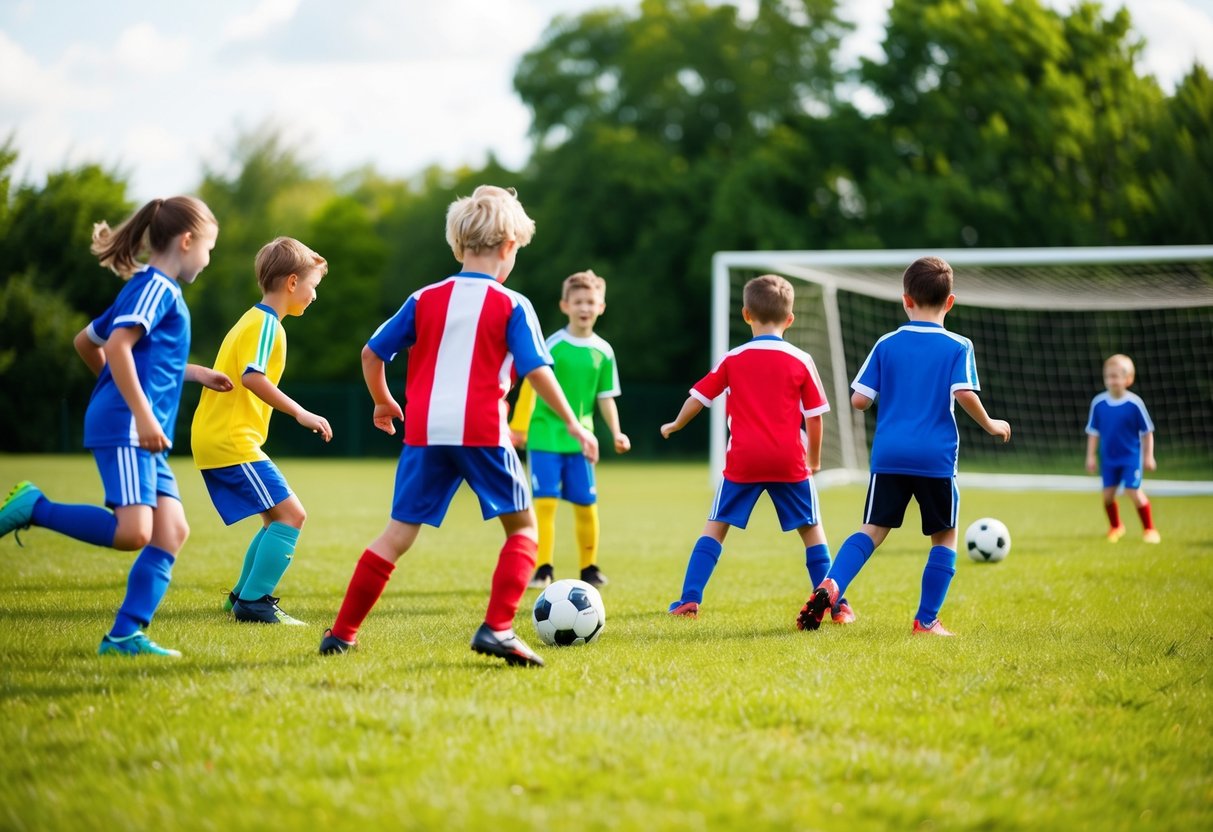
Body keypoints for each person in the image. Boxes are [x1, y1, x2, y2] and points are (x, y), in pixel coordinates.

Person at [318, 185, 598, 667]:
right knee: (524, 529)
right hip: (482, 430)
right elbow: (537, 371)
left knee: (397, 534)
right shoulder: (512, 304)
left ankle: (341, 633)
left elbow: (371, 352)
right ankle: (498, 628)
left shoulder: (424, 297)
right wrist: (574, 423)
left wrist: (383, 402)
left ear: (457, 245)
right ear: (510, 248)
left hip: (424, 432)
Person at [0, 196, 229, 657]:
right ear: (187, 241)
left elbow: (89, 343)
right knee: (134, 533)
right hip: (132, 428)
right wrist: (136, 412)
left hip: (138, 430)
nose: (208, 259)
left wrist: (196, 373)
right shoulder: (158, 289)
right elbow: (119, 348)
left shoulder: (149, 287)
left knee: (171, 532)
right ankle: (34, 506)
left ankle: (125, 634)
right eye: (208, 248)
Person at [798, 256, 1011, 637]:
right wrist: (992, 424)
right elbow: (962, 392)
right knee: (944, 535)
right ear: (950, 302)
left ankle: (831, 586)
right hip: (935, 458)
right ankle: (926, 621)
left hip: (889, 455)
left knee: (872, 529)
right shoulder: (958, 345)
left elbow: (859, 400)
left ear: (905, 300)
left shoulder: (888, 343)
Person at [660, 274, 849, 623]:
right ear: (789, 319)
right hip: (789, 460)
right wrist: (815, 460)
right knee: (811, 530)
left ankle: (688, 600)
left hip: (744, 460)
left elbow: (698, 399)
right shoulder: (801, 359)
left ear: (746, 314)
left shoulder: (733, 359)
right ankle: (838, 606)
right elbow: (817, 418)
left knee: (715, 526)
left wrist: (675, 425)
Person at [191, 237, 333, 626]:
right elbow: (252, 377)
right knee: (292, 516)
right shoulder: (267, 324)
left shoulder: (251, 319)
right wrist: (300, 412)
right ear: (291, 283)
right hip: (231, 441)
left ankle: (242, 596)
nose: (314, 296)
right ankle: (254, 604)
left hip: (222, 438)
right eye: (312, 286)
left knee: (276, 518)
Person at [508, 269, 630, 590]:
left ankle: (589, 568)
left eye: (591, 302)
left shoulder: (604, 352)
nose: (584, 308)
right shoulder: (553, 345)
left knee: (586, 505)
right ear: (565, 306)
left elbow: (606, 398)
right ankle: (542, 568)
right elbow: (532, 386)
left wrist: (616, 432)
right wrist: (518, 427)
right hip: (545, 435)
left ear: (601, 307)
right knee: (545, 504)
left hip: (582, 442)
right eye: (578, 301)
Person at [1085, 354, 1159, 543]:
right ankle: (1116, 527)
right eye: (1108, 376)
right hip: (1108, 459)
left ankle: (1150, 529)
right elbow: (1094, 432)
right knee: (1108, 496)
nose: (1112, 380)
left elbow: (1147, 432)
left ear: (1128, 379)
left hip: (1130, 458)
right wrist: (1091, 456)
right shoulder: (1099, 403)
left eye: (1116, 376)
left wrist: (1148, 456)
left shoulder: (1134, 404)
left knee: (1133, 491)